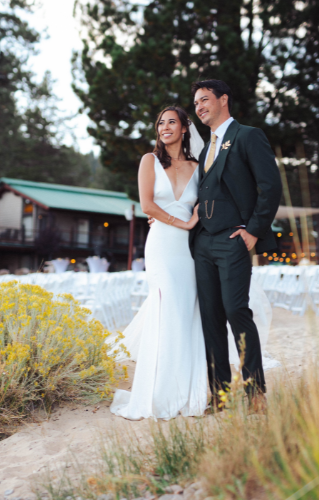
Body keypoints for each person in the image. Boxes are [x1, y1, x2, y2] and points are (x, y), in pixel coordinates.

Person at [110, 106, 208, 420]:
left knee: (186, 313)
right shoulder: (148, 161)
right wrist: (182, 224)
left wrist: (198, 223)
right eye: (160, 123)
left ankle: (188, 393)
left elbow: (206, 204)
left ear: (184, 128)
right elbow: (147, 204)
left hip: (190, 251)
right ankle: (158, 394)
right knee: (166, 310)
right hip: (163, 247)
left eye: (171, 122)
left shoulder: (199, 165)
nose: (165, 127)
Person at [190, 79, 282, 412]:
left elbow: (270, 187)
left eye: (205, 100)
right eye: (196, 103)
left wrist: (254, 231)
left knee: (235, 311)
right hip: (203, 243)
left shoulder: (247, 136)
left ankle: (255, 391)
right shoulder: (204, 149)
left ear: (223, 100)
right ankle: (220, 394)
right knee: (211, 317)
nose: (199, 107)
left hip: (233, 240)